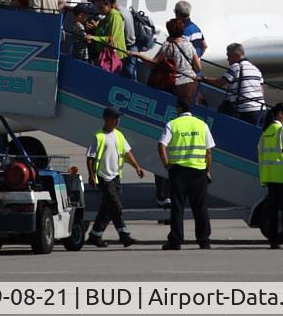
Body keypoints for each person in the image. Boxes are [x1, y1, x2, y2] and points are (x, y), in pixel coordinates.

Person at [158, 96, 215, 250]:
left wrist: (167, 164)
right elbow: (209, 151)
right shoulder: (202, 125)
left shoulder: (172, 124)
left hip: (178, 172)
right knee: (200, 207)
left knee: (177, 207)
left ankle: (176, 241)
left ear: (178, 108)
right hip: (199, 172)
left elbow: (161, 145)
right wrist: (207, 171)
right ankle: (204, 241)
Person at [85, 106, 145, 248]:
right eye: (115, 118)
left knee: (107, 208)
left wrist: (137, 166)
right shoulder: (98, 136)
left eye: (118, 118)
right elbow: (90, 158)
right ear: (106, 119)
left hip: (116, 176)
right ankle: (124, 235)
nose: (118, 120)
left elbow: (127, 153)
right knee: (116, 206)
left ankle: (95, 235)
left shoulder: (119, 135)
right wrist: (91, 175)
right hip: (103, 177)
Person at [257, 102, 283, 249]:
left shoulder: (266, 131)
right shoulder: (282, 130)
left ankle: (273, 241)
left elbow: (260, 152)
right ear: (280, 114)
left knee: (273, 209)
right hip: (282, 175)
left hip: (270, 176)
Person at [202, 43, 265, 124]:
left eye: (229, 56)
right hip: (261, 111)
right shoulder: (256, 69)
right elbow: (261, 91)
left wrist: (203, 78)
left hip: (246, 111)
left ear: (237, 55)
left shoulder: (236, 67)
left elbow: (219, 83)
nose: (227, 59)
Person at [157, 18, 201, 102]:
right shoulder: (189, 45)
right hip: (190, 82)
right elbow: (198, 67)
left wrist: (138, 55)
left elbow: (154, 62)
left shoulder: (167, 45)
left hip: (174, 83)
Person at [86, 0, 127, 68]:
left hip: (114, 57)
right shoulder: (107, 16)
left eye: (101, 8)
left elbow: (111, 39)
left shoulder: (114, 16)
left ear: (108, 4)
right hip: (106, 55)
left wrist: (93, 38)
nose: (99, 10)